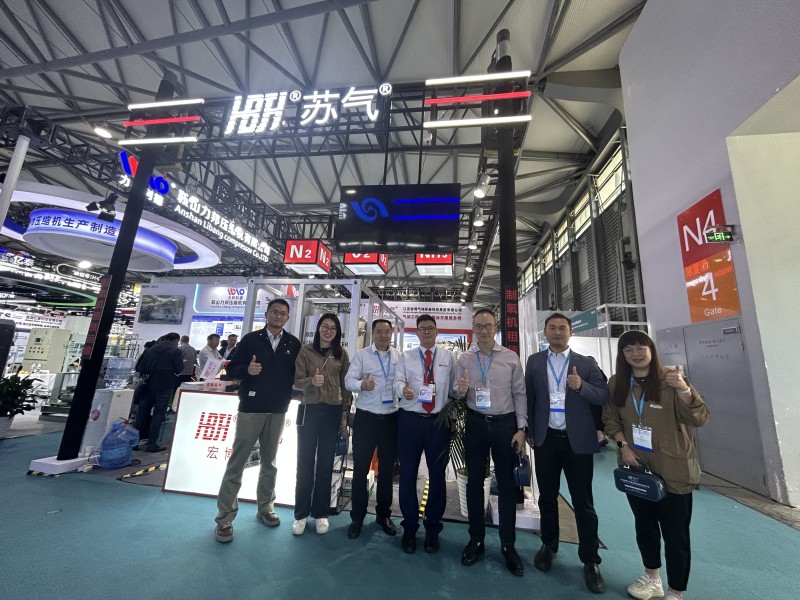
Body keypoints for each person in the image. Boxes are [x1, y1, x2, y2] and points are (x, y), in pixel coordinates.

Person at [603, 330, 709, 600]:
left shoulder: (671, 380)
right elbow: (611, 419)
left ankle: (676, 591)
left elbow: (698, 419)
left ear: (651, 349)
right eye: (628, 350)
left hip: (673, 468)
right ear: (622, 355)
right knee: (645, 526)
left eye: (641, 347)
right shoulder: (617, 383)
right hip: (636, 466)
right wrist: (623, 446)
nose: (636, 354)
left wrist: (683, 389)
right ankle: (651, 577)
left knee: (676, 533)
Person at [525, 312, 609, 594]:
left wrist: (581, 386)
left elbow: (603, 396)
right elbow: (530, 397)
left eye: (562, 328)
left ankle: (590, 559)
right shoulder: (535, 361)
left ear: (570, 332)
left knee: (583, 502)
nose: (557, 332)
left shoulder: (586, 363)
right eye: (552, 328)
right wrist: (529, 429)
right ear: (545, 332)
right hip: (546, 439)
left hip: (578, 442)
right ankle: (549, 545)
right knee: (547, 497)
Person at [213, 299, 302, 543]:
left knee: (269, 462)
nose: (278, 316)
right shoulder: (251, 339)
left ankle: (265, 508)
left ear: (288, 317)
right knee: (237, 462)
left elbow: (297, 374)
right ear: (267, 314)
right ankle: (224, 518)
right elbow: (229, 370)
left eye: (283, 313)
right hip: (251, 408)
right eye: (274, 312)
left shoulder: (292, 343)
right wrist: (246, 371)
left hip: (278, 409)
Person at [453, 309, 527, 576]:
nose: (483, 330)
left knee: (506, 486)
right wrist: (460, 390)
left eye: (488, 326)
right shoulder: (464, 358)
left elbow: (520, 394)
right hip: (475, 423)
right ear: (473, 328)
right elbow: (455, 391)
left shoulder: (510, 358)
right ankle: (476, 540)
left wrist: (521, 429)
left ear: (496, 328)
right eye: (479, 326)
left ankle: (508, 545)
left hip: (505, 425)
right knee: (474, 483)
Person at [393, 314, 457, 553]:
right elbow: (397, 382)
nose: (427, 332)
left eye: (431, 328)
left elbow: (454, 391)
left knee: (437, 475)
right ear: (417, 332)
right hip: (410, 420)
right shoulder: (406, 357)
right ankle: (409, 528)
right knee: (408, 474)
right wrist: (403, 389)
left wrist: (460, 390)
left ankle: (432, 529)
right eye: (423, 329)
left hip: (438, 423)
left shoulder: (448, 358)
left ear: (437, 332)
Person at [293, 313, 353, 536]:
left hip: (332, 411)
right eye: (325, 326)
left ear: (337, 333)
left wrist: (345, 411)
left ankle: (321, 513)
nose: (328, 331)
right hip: (308, 410)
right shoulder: (305, 351)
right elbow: (297, 381)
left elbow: (346, 385)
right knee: (305, 462)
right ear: (318, 328)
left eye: (333, 328)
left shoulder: (341, 354)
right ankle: (301, 514)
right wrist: (312, 381)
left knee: (326, 463)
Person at [344, 319, 400, 539]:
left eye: (387, 332)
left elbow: (402, 382)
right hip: (366, 418)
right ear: (372, 333)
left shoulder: (399, 357)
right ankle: (357, 518)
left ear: (391, 333)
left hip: (390, 419)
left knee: (386, 471)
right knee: (360, 469)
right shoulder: (362, 355)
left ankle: (383, 516)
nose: (383, 335)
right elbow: (348, 380)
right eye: (379, 331)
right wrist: (361, 385)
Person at [134, 332, 183, 452]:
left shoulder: (149, 350)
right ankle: (151, 444)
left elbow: (140, 368)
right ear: (176, 340)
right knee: (158, 414)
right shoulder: (175, 351)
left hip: (147, 385)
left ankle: (135, 443)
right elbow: (178, 369)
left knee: (142, 414)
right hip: (164, 385)